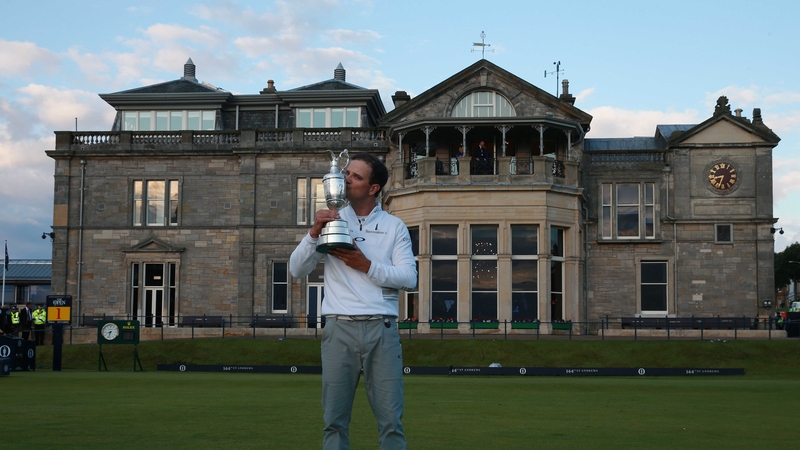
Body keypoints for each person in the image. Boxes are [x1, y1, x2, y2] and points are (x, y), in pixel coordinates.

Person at [290, 152, 417, 450]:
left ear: (373, 188)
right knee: (334, 421)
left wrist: (366, 265)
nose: (346, 179)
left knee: (391, 422)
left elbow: (409, 279)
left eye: (356, 176)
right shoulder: (331, 220)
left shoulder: (394, 226)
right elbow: (296, 269)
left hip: (381, 329)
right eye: (346, 173)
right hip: (338, 329)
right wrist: (313, 233)